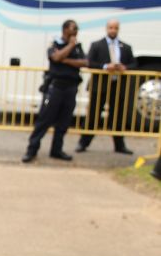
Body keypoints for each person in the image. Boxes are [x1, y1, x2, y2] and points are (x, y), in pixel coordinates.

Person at [22, 19, 87, 163]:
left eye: (76, 29)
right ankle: (31, 150)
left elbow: (85, 62)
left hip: (71, 88)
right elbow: (56, 57)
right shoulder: (55, 44)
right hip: (55, 87)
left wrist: (66, 60)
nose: (75, 32)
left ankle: (56, 150)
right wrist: (69, 46)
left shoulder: (78, 47)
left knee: (64, 122)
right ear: (64, 30)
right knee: (44, 120)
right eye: (73, 29)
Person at [77, 18, 136, 155]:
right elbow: (89, 62)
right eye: (111, 28)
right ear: (106, 28)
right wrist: (105, 66)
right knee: (93, 115)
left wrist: (124, 67)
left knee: (117, 116)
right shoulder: (97, 45)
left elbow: (134, 64)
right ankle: (83, 142)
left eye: (115, 28)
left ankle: (119, 145)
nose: (113, 30)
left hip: (118, 86)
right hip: (100, 86)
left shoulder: (125, 47)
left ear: (118, 29)